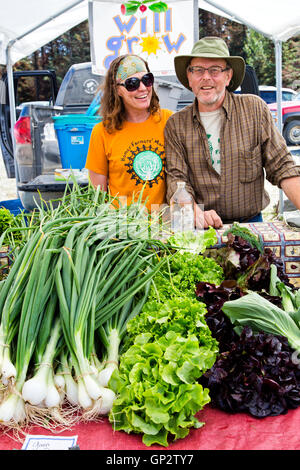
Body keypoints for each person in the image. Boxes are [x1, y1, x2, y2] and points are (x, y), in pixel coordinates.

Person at [164, 36, 300, 229]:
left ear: (228, 76)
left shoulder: (254, 109)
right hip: (201, 228)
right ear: (189, 77)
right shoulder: (176, 124)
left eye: (215, 70)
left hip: (250, 224)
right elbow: (176, 180)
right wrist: (194, 213)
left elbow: (282, 166)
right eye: (198, 70)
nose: (206, 77)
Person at [85, 54, 173, 211]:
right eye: (132, 84)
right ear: (117, 90)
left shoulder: (169, 121)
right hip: (124, 229)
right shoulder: (102, 132)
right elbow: (97, 198)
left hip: (165, 228)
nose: (143, 88)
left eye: (147, 79)